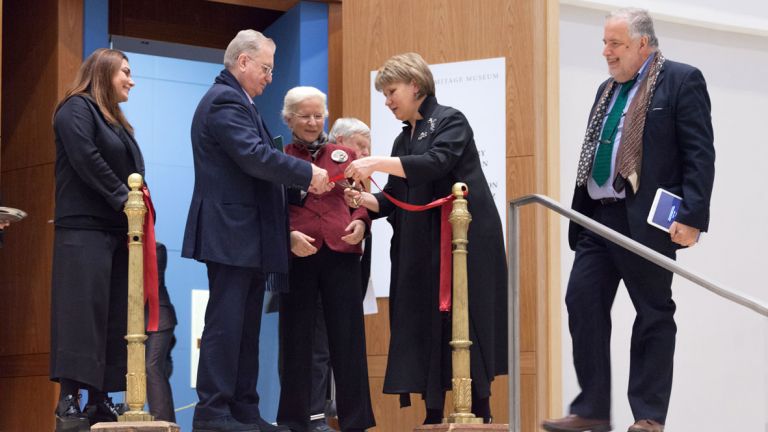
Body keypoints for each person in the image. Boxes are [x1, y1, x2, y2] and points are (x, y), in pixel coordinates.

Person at [542, 8, 715, 432]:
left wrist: (692, 216)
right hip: (597, 220)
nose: (606, 52)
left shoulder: (681, 79)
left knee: (653, 312)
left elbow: (699, 154)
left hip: (645, 222)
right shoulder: (607, 88)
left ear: (643, 43)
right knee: (581, 301)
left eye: (614, 44)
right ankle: (594, 410)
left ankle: (649, 417)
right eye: (604, 43)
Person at [343, 52, 507, 424]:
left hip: (461, 244)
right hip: (422, 244)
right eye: (384, 94)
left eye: (391, 91)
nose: (387, 101)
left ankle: (480, 411)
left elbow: (435, 163)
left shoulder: (451, 120)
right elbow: (393, 197)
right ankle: (432, 415)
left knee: (465, 320)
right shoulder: (404, 140)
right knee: (423, 321)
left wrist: (374, 162)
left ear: (415, 86)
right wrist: (362, 200)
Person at [181, 30, 332, 432]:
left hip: (245, 234)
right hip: (231, 231)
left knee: (245, 328)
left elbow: (259, 164)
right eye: (265, 68)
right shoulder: (225, 101)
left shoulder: (240, 102)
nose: (269, 77)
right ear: (243, 62)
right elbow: (253, 157)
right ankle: (213, 413)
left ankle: (243, 410)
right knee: (226, 324)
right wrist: (307, 173)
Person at [50, 48, 142, 432]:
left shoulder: (116, 121)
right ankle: (69, 400)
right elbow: (87, 158)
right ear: (103, 71)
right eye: (125, 72)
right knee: (80, 313)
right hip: (83, 228)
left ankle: (101, 398)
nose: (131, 80)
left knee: (112, 315)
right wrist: (125, 199)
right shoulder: (75, 109)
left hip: (117, 231)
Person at [276, 87, 375, 432]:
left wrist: (361, 221)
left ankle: (356, 420)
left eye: (318, 115)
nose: (312, 122)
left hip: (341, 251)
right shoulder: (278, 155)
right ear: (288, 118)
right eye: (304, 115)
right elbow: (270, 207)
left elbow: (362, 199)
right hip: (299, 253)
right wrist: (287, 236)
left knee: (348, 339)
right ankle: (294, 420)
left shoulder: (345, 154)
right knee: (296, 339)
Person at [146, 241, 178, 422]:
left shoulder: (157, 248)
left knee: (152, 367)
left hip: (159, 320)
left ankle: (162, 422)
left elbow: (150, 285)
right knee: (155, 369)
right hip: (142, 321)